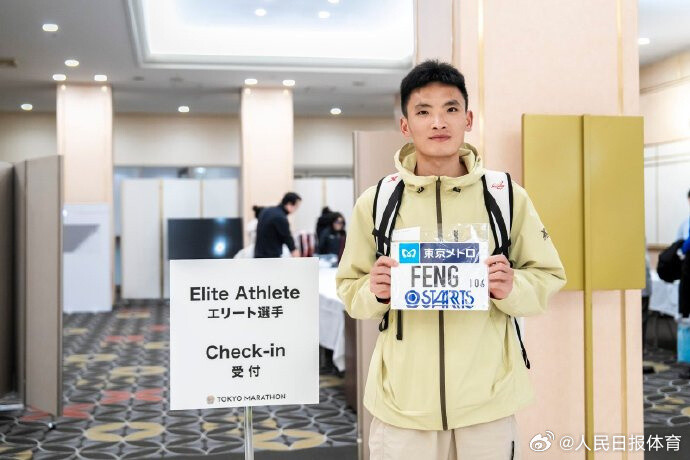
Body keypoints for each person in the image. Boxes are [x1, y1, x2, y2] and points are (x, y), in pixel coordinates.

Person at [336, 60, 566, 460]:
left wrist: (511, 287)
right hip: (403, 404)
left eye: (451, 108)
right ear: (406, 125)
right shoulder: (376, 201)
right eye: (423, 111)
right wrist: (374, 291)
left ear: (468, 119)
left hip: (487, 402)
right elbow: (349, 289)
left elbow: (548, 275)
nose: (438, 122)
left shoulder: (505, 196)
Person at [254, 192, 301, 258]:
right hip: (270, 257)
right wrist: (297, 256)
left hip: (258, 255)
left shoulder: (266, 210)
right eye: (296, 207)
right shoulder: (280, 217)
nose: (296, 210)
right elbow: (288, 239)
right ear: (289, 204)